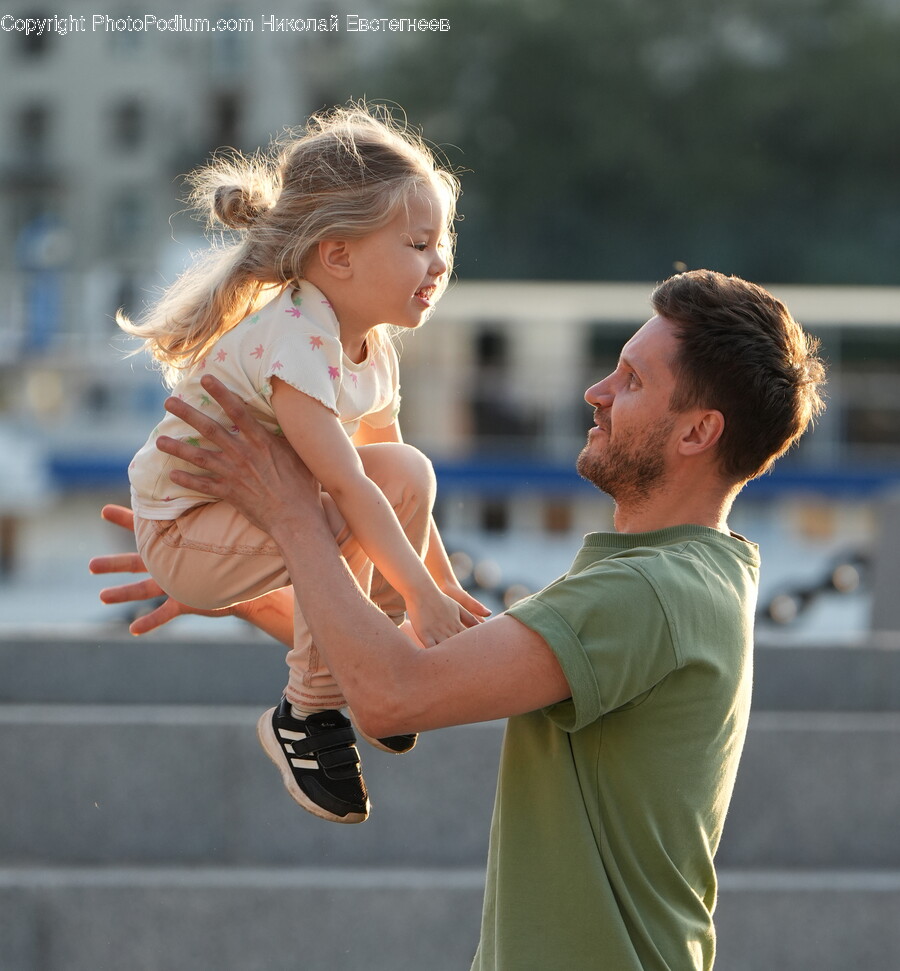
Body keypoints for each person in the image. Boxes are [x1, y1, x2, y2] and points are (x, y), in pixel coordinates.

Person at [92, 269, 826, 969]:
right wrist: (237, 578)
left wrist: (291, 517)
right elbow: (419, 659)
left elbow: (394, 695)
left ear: (697, 433)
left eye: (632, 380)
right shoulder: (685, 574)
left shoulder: (645, 592)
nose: (596, 391)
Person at [116, 103, 488, 825]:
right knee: (361, 496)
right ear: (338, 255)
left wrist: (445, 592)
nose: (438, 262)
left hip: (256, 517)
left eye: (442, 241)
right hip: (188, 531)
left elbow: (393, 485)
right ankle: (308, 710)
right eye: (417, 242)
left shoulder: (369, 345)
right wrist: (420, 597)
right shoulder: (294, 342)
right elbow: (348, 489)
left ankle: (378, 661)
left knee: (406, 470)